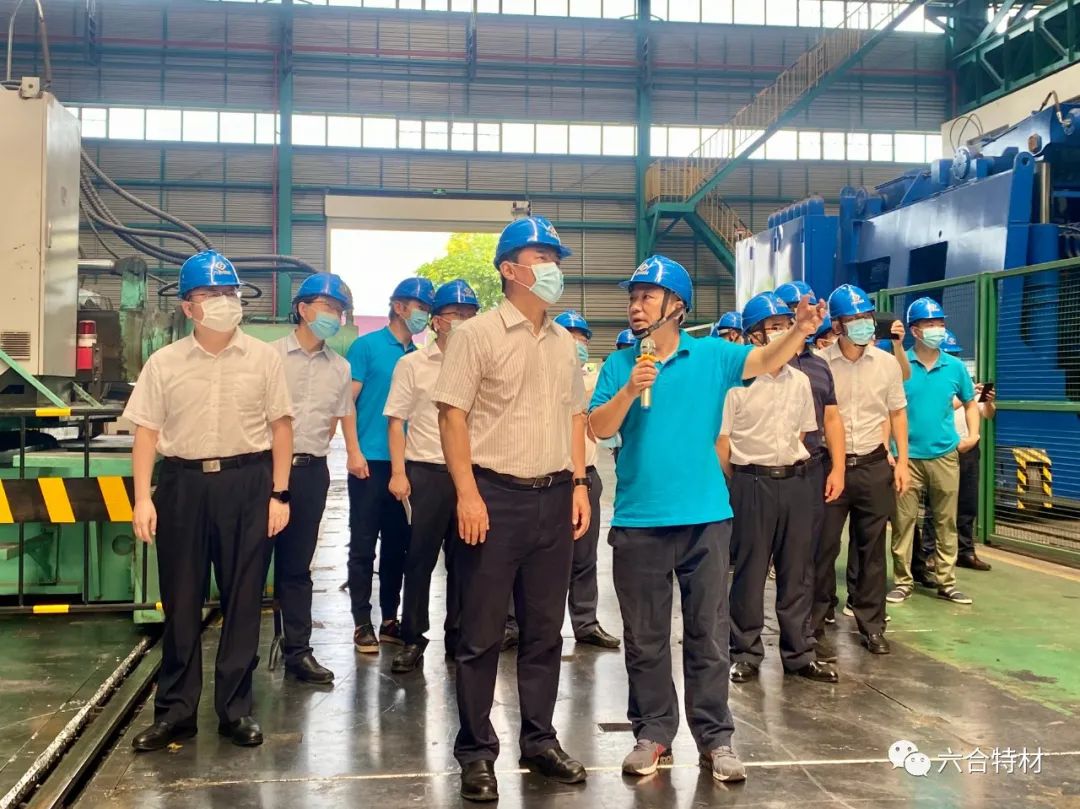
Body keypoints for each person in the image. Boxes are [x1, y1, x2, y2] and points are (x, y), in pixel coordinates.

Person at [589, 256, 825, 782]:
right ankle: (652, 734)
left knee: (709, 636)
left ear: (677, 305)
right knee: (645, 639)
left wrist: (799, 332)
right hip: (640, 521)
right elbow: (598, 429)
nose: (636, 306)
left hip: (705, 521)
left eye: (648, 296)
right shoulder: (620, 365)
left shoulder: (713, 355)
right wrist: (629, 388)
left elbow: (763, 359)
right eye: (633, 297)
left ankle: (715, 739)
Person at [432, 216, 591, 802]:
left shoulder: (563, 343)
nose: (553, 269)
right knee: (480, 635)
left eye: (556, 259)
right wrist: (467, 493)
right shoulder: (475, 336)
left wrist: (579, 483)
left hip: (554, 496)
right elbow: (451, 416)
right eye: (541, 258)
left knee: (545, 632)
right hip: (493, 497)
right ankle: (476, 752)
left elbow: (575, 416)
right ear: (509, 269)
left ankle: (539, 740)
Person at [125, 251, 293, 751]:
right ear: (188, 307)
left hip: (247, 483)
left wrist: (279, 493)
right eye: (210, 294)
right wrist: (142, 498)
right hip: (183, 485)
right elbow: (146, 433)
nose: (223, 302)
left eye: (229, 293)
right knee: (180, 600)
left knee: (244, 599)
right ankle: (176, 712)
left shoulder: (263, 358)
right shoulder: (164, 363)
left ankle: (235, 711)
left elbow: (282, 428)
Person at [718, 292, 838, 685]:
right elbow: (723, 443)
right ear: (753, 335)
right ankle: (745, 652)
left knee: (798, 571)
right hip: (751, 483)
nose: (783, 332)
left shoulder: (800, 381)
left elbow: (803, 432)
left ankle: (799, 653)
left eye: (786, 326)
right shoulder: (735, 385)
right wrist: (743, 479)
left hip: (797, 481)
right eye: (773, 327)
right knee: (750, 572)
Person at [384, 279, 480, 673]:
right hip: (426, 474)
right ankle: (413, 637)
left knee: (466, 560)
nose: (463, 321)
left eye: (470, 314)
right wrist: (398, 472)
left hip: (470, 477)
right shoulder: (412, 365)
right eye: (456, 314)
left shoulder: (482, 364)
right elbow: (396, 421)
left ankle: (459, 634)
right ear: (437, 321)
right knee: (419, 559)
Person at [269, 272, 360, 685]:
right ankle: (240, 658)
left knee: (297, 566)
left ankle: (298, 652)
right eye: (327, 307)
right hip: (264, 470)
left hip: (310, 473)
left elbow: (339, 417)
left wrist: (351, 453)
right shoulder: (269, 357)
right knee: (250, 565)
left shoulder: (340, 368)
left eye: (339, 310)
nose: (333, 316)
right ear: (303, 309)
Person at [811, 284, 909, 657]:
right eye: (853, 319)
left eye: (866, 317)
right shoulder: (820, 363)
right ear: (837, 325)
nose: (863, 324)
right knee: (822, 547)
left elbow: (897, 412)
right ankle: (815, 620)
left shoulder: (886, 364)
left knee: (872, 550)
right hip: (828, 468)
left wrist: (902, 461)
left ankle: (872, 624)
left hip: (873, 464)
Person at [345, 277, 434, 653]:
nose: (424, 315)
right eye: (421, 307)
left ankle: (388, 619)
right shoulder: (366, 347)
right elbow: (346, 404)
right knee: (364, 545)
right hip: (370, 463)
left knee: (398, 547)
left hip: (407, 464)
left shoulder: (419, 356)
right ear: (399, 307)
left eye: (427, 310)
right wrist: (353, 451)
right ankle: (361, 622)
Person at [889, 299, 979, 606]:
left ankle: (947, 582)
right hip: (907, 458)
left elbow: (970, 403)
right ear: (915, 330)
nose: (937, 329)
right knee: (904, 522)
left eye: (940, 323)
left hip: (944, 455)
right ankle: (903, 581)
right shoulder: (900, 365)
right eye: (930, 324)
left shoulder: (954, 367)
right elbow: (889, 409)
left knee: (945, 521)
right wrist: (891, 450)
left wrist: (973, 435)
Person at [774, 284, 847, 651]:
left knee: (809, 557)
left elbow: (831, 419)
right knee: (760, 562)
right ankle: (745, 648)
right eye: (792, 309)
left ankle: (807, 634)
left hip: (812, 468)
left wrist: (838, 469)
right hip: (767, 472)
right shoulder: (765, 362)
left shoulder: (820, 367)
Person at [554, 309, 620, 650]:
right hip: (549, 479)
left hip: (587, 478)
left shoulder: (595, 381)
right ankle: (519, 624)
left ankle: (585, 622)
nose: (578, 344)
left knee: (584, 556)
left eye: (583, 339)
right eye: (572, 337)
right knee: (538, 558)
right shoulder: (541, 379)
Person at [912, 330, 995, 579]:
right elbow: (941, 408)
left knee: (967, 503)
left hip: (969, 450)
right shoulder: (935, 381)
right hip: (944, 449)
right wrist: (965, 396)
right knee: (937, 505)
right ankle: (929, 552)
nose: (954, 358)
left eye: (957, 354)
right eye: (951, 354)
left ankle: (965, 551)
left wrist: (987, 400)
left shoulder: (962, 379)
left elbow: (986, 414)